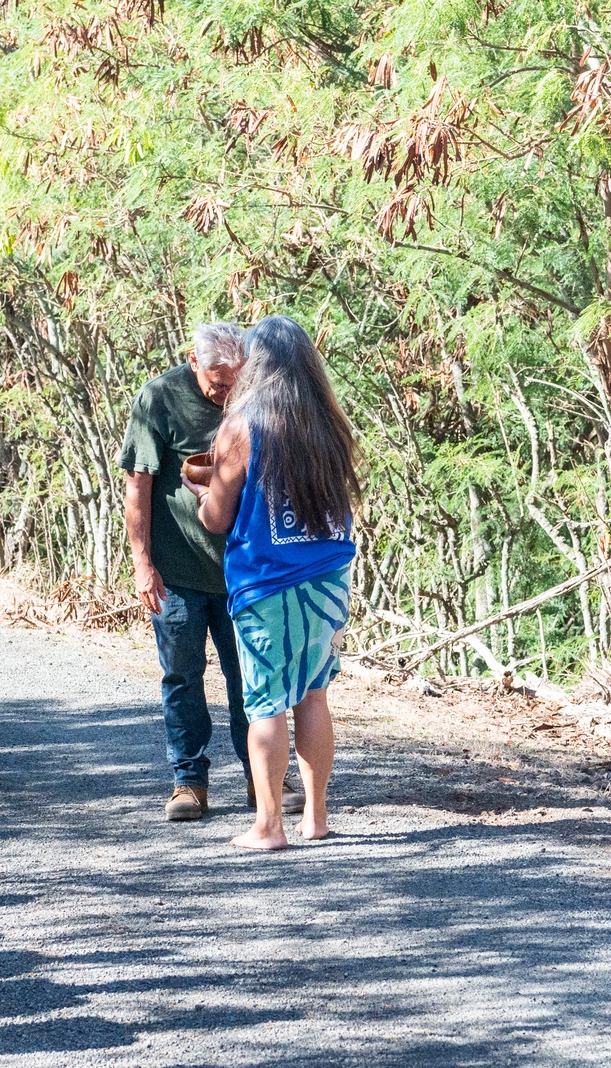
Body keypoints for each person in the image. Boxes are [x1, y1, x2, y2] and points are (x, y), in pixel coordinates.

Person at [182, 315, 360, 850]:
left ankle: (268, 825)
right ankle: (317, 818)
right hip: (330, 577)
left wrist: (204, 494)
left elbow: (217, 518)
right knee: (313, 695)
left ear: (256, 363)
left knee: (264, 703)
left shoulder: (243, 424)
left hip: (267, 584)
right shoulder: (331, 422)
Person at [119, 322, 305, 821]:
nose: (226, 392)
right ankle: (188, 781)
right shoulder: (160, 398)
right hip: (178, 569)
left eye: (234, 380)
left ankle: (262, 778)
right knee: (182, 675)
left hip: (246, 569)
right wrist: (143, 564)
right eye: (217, 381)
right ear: (192, 360)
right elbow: (137, 484)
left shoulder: (260, 396)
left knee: (251, 676)